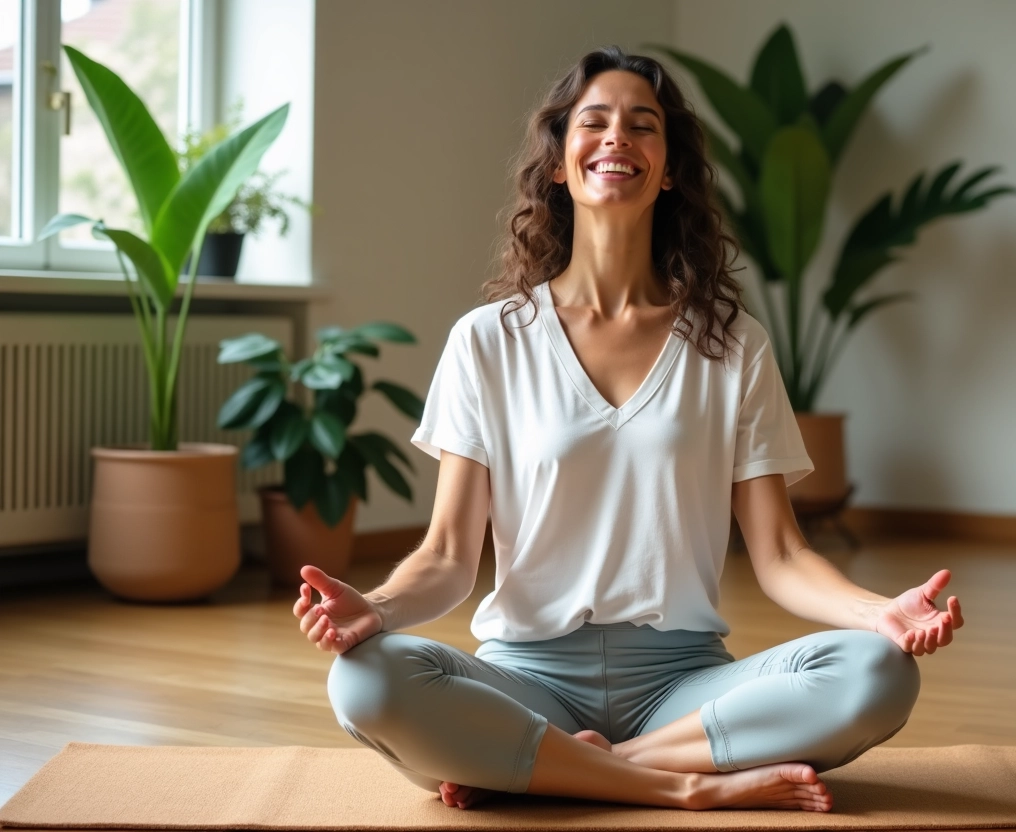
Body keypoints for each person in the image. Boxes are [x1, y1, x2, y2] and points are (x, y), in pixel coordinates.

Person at [294, 46, 964, 813]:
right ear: (558, 162)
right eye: (595, 122)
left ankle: (567, 769)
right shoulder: (489, 340)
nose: (618, 138)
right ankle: (684, 787)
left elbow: (780, 554)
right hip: (526, 680)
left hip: (683, 685)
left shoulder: (731, 342)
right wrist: (374, 609)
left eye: (643, 126)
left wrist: (878, 613)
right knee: (365, 678)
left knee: (878, 673)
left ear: (669, 168)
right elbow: (448, 556)